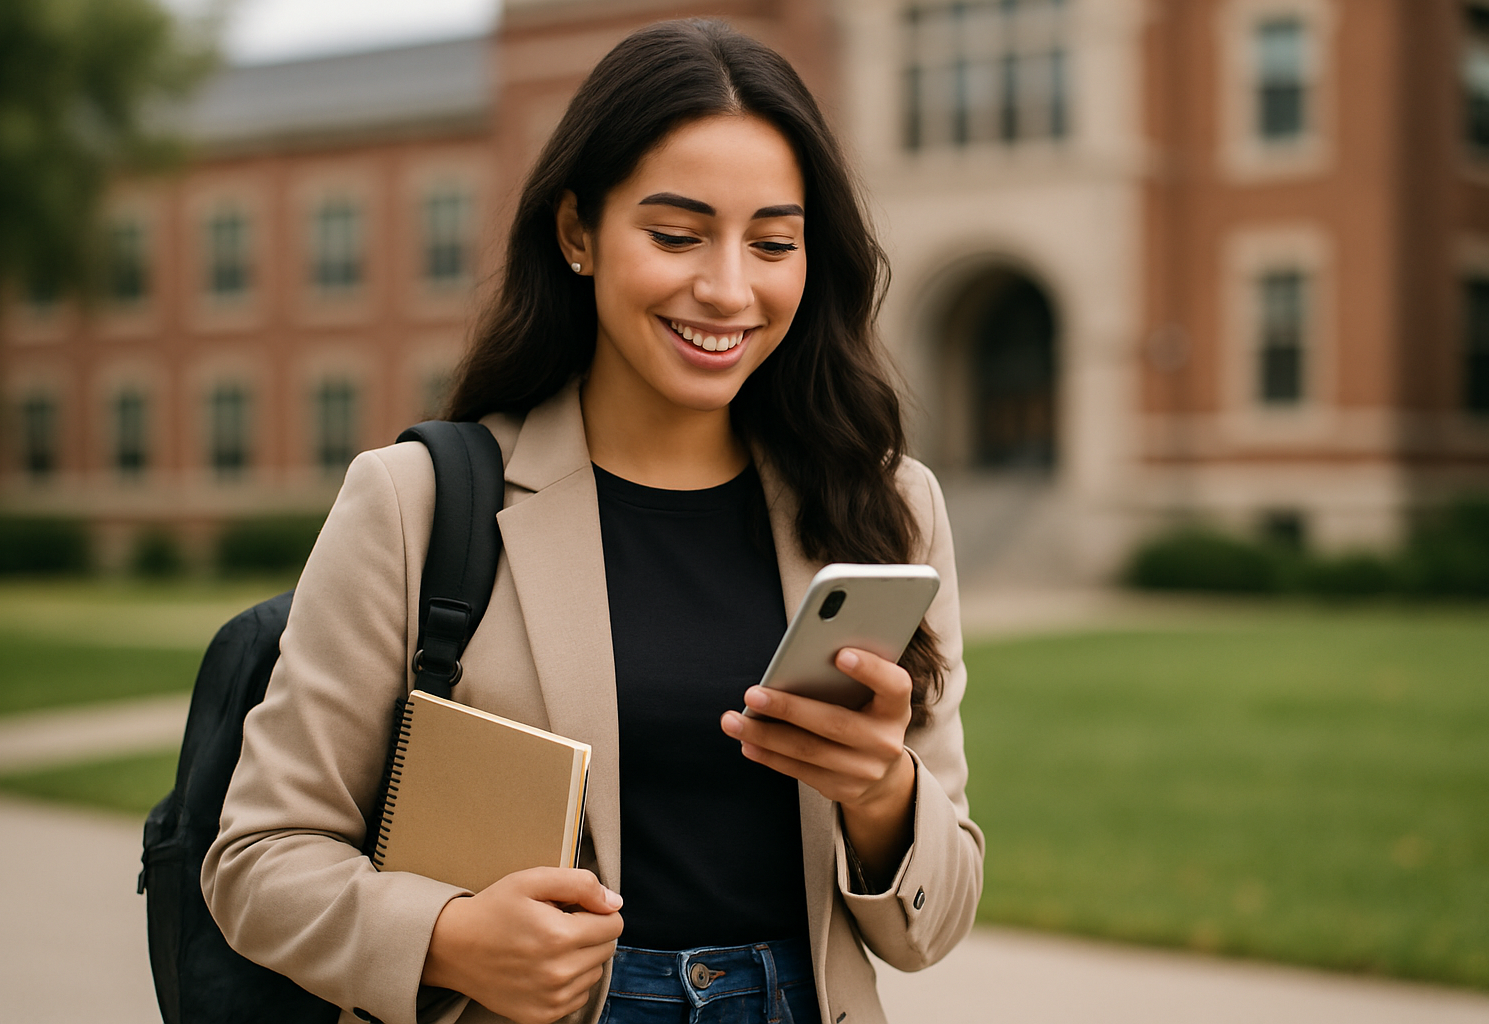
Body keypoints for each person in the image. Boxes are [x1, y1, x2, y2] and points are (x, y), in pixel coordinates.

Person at [204, 18, 983, 1024]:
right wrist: (448, 938)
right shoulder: (416, 501)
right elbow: (256, 859)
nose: (729, 288)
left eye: (774, 243)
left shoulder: (886, 508)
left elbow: (935, 922)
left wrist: (882, 796)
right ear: (578, 232)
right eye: (676, 234)